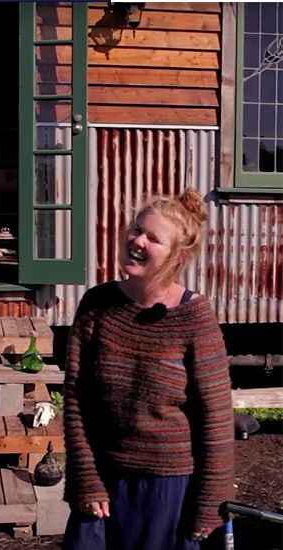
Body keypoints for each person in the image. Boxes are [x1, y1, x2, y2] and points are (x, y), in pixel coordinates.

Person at [62, 189, 233, 549]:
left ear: (176, 255)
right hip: (103, 480)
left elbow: (215, 418)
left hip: (168, 489)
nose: (137, 240)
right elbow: (77, 400)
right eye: (136, 229)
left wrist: (210, 503)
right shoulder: (98, 305)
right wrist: (85, 476)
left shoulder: (194, 318)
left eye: (152, 238)